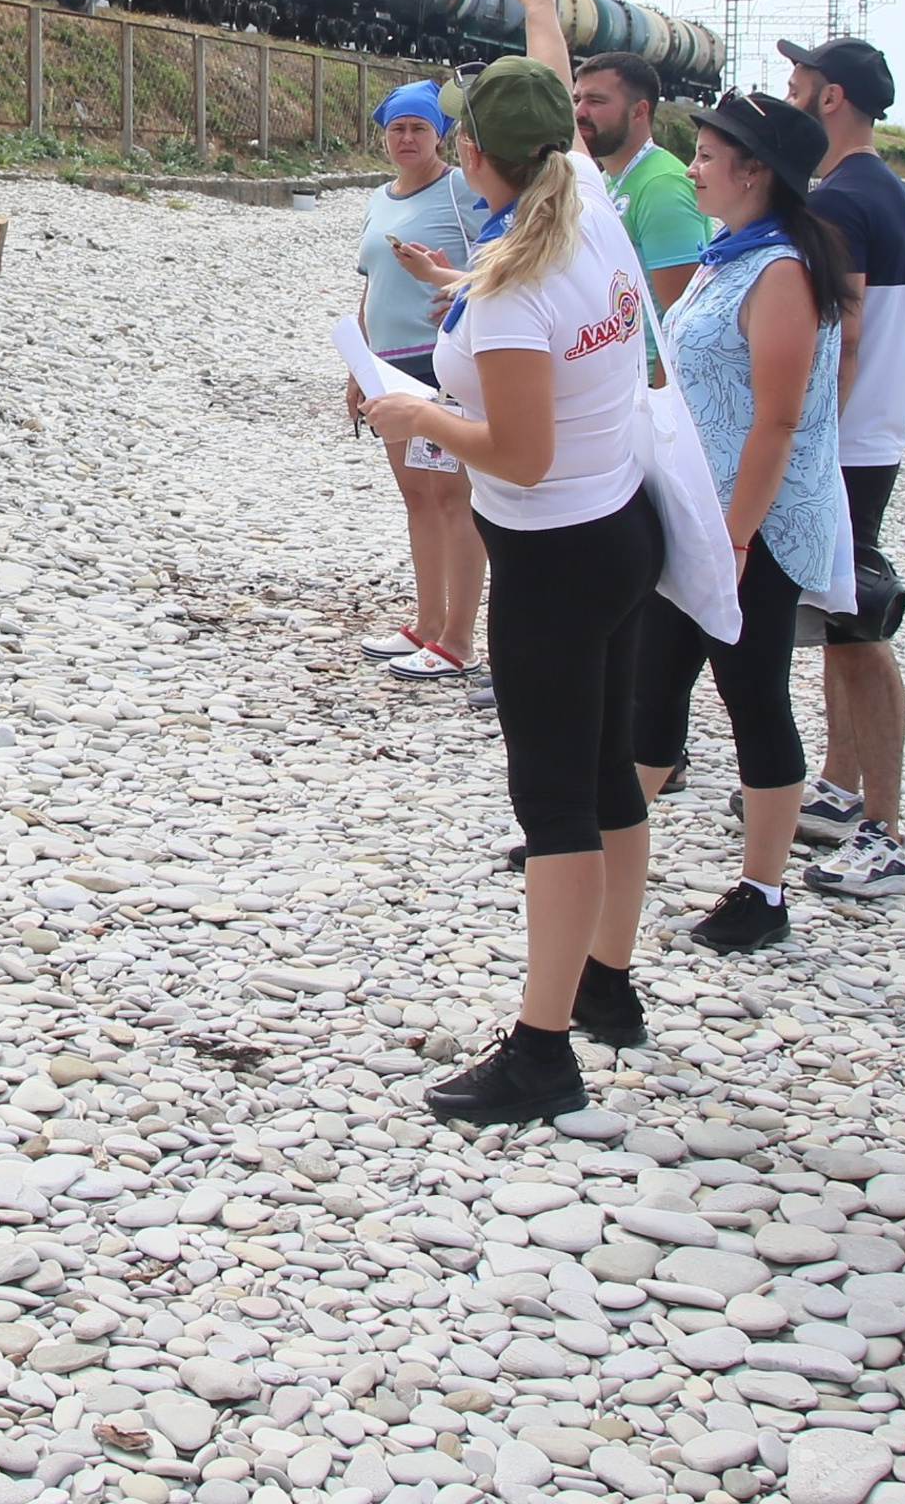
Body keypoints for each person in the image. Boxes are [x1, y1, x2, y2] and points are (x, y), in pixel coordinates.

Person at [363, 56, 663, 1125]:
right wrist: (452, 287)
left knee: (553, 807)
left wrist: (418, 415)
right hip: (625, 530)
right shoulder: (583, 205)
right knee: (606, 774)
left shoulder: (513, 288)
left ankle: (541, 1052)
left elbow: (519, 455)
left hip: (553, 555)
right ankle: (607, 984)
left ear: (474, 158)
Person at [630, 93, 851, 951]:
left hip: (749, 526)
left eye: (709, 155)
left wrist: (735, 534)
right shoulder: (732, 255)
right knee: (655, 680)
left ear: (756, 172)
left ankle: (764, 891)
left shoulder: (782, 269)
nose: (693, 169)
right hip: (699, 514)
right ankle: (596, 831)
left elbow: (781, 419)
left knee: (752, 694)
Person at [781, 34, 905, 897]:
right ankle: (840, 790)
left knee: (860, 625)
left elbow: (846, 335)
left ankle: (886, 827)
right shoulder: (887, 189)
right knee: (841, 618)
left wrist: (799, 437)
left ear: (830, 98)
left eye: (801, 82)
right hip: (877, 435)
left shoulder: (838, 198)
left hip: (848, 442)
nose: (791, 90)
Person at [349, 78, 484, 681]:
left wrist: (458, 283)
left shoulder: (460, 190)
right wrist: (357, 364)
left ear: (442, 136)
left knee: (454, 498)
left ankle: (460, 638)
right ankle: (427, 624)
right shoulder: (379, 197)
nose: (407, 138)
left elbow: (505, 257)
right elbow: (370, 284)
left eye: (419, 128)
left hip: (443, 363)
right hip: (387, 364)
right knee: (416, 496)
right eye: (397, 127)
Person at [573, 51, 709, 340]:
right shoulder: (609, 178)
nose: (579, 113)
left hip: (646, 379)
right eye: (576, 100)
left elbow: (681, 322)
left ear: (639, 111)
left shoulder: (661, 185)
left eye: (595, 101)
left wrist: (660, 388)